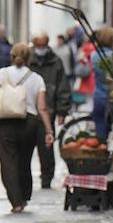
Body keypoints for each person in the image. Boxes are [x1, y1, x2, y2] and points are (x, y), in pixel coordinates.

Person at [0, 43, 54, 213]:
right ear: (29, 58)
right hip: (28, 123)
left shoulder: (2, 74)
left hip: (4, 123)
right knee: (24, 161)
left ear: (12, 56)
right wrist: (48, 130)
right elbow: (42, 108)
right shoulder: (37, 78)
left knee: (8, 162)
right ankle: (24, 195)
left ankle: (16, 201)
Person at [29, 30, 72, 189]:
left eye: (43, 45)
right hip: (27, 111)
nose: (41, 48)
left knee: (46, 146)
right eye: (38, 45)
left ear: (47, 45)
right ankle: (25, 180)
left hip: (48, 110)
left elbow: (63, 87)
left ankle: (47, 178)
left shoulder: (56, 62)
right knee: (26, 148)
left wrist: (62, 111)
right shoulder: (27, 60)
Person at [89, 26, 113, 141]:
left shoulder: (94, 55)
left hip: (98, 95)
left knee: (101, 129)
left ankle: (101, 154)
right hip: (112, 96)